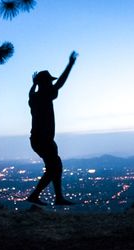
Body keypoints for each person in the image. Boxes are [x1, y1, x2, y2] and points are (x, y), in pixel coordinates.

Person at [26, 51, 78, 206]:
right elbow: (60, 83)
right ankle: (36, 195)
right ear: (45, 84)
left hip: (40, 139)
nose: (51, 84)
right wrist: (70, 65)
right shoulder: (44, 96)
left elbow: (30, 92)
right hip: (43, 140)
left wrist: (34, 84)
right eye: (49, 82)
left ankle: (58, 197)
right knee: (53, 168)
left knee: (56, 165)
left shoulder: (34, 98)